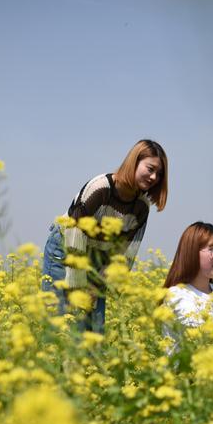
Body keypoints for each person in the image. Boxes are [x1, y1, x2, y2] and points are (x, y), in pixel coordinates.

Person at [41, 139, 168, 332]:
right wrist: (78, 289)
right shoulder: (100, 188)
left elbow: (123, 255)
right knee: (60, 327)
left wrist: (96, 287)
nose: (153, 177)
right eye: (150, 169)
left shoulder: (141, 207)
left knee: (94, 334)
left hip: (98, 261)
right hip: (66, 250)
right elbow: (75, 233)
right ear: (134, 162)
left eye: (159, 174)